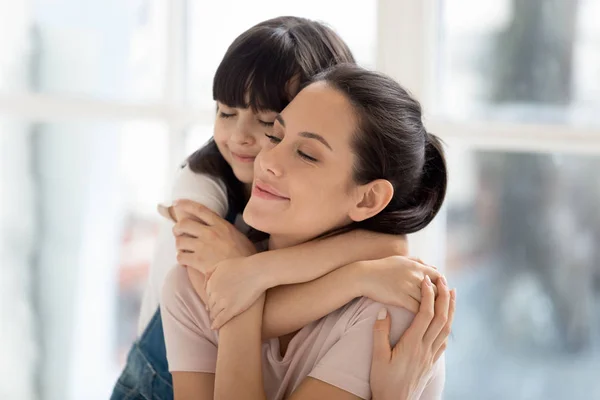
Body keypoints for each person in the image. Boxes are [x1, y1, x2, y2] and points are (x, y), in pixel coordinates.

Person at [111, 17, 446, 400]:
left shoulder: (389, 306)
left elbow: (389, 248)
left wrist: (246, 280)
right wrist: (250, 276)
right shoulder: (202, 189)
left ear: (367, 198)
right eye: (277, 134)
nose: (262, 155)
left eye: (305, 152)